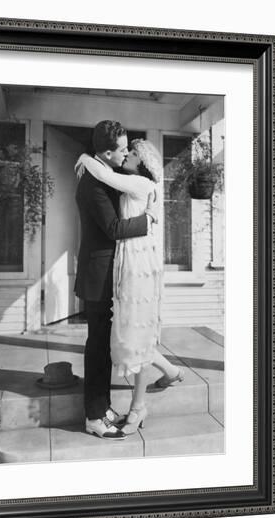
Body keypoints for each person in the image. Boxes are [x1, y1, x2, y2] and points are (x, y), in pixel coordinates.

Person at [75, 138, 185, 436]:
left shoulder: (139, 184)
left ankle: (139, 407)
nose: (127, 154)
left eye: (132, 152)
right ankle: (171, 373)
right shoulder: (132, 181)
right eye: (126, 150)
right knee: (134, 328)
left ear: (143, 162)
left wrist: (85, 157)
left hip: (138, 260)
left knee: (138, 327)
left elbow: (106, 176)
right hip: (130, 257)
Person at [74, 120, 157, 440]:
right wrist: (148, 220)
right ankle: (95, 417)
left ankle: (103, 406)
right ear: (107, 153)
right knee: (97, 347)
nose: (126, 153)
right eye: (122, 149)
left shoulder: (98, 170)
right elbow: (112, 229)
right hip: (99, 274)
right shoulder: (93, 183)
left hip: (104, 271)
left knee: (102, 343)